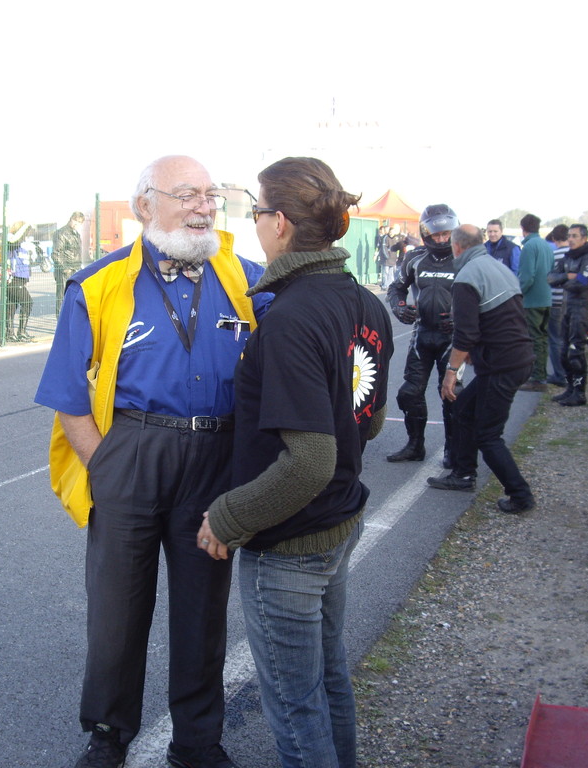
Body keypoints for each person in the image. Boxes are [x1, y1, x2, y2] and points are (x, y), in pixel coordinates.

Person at [34, 155, 272, 768]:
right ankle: (108, 733)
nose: (204, 207)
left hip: (215, 459)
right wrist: (108, 471)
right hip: (132, 454)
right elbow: (68, 397)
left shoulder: (249, 279)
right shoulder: (97, 284)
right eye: (187, 194)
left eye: (211, 196)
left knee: (202, 610)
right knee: (117, 610)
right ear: (145, 206)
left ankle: (197, 741)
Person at [197, 156, 393, 768]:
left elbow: (310, 461)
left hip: (290, 542)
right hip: (338, 523)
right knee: (328, 676)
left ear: (278, 222)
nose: (252, 222)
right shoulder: (365, 303)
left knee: (293, 700)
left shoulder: (290, 317)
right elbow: (371, 418)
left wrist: (228, 516)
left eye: (255, 211)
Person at [427, 224, 535, 513]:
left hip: (502, 365)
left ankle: (520, 495)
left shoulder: (467, 276)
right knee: (463, 410)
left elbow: (466, 334)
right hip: (515, 357)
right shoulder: (496, 267)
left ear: (457, 246)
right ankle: (462, 474)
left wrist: (451, 372)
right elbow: (504, 317)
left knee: (488, 434)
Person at [386, 203, 460, 465]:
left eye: (446, 234)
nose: (441, 239)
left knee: (452, 394)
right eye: (436, 235)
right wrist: (399, 307)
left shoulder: (466, 258)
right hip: (422, 335)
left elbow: (482, 297)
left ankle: (454, 451)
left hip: (453, 339)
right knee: (408, 393)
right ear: (426, 233)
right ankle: (415, 445)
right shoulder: (414, 257)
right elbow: (396, 289)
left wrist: (461, 318)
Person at [548, 223, 588, 407]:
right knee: (563, 352)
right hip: (565, 308)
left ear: (584, 238)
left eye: (575, 236)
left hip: (581, 309)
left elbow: (582, 282)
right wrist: (569, 277)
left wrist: (568, 279)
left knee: (575, 351)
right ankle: (570, 389)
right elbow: (551, 278)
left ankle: (579, 392)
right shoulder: (568, 256)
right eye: (569, 235)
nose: (570, 239)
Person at [517, 213, 554, 391]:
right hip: (547, 297)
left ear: (522, 229)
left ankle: (537, 378)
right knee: (542, 338)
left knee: (533, 339)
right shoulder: (546, 246)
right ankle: (541, 375)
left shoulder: (529, 247)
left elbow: (527, 276)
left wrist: (518, 293)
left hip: (533, 300)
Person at [545, 225, 570, 385]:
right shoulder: (573, 255)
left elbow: (548, 277)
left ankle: (559, 374)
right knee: (565, 338)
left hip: (554, 301)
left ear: (554, 239)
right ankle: (568, 372)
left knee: (554, 339)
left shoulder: (554, 255)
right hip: (569, 301)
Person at [4, 221, 36, 342]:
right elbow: (13, 242)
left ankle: (10, 332)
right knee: (28, 302)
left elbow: (26, 263)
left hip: (21, 279)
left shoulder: (25, 245)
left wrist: (26, 278)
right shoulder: (13, 241)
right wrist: (23, 228)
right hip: (13, 278)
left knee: (12, 304)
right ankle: (20, 331)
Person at [53, 210, 86, 316]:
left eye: (80, 223)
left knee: (76, 297)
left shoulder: (76, 234)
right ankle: (61, 324)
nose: (78, 225)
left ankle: (71, 321)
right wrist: (65, 268)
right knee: (63, 298)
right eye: (77, 222)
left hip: (76, 269)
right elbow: (56, 253)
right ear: (72, 220)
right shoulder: (61, 233)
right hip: (65, 271)